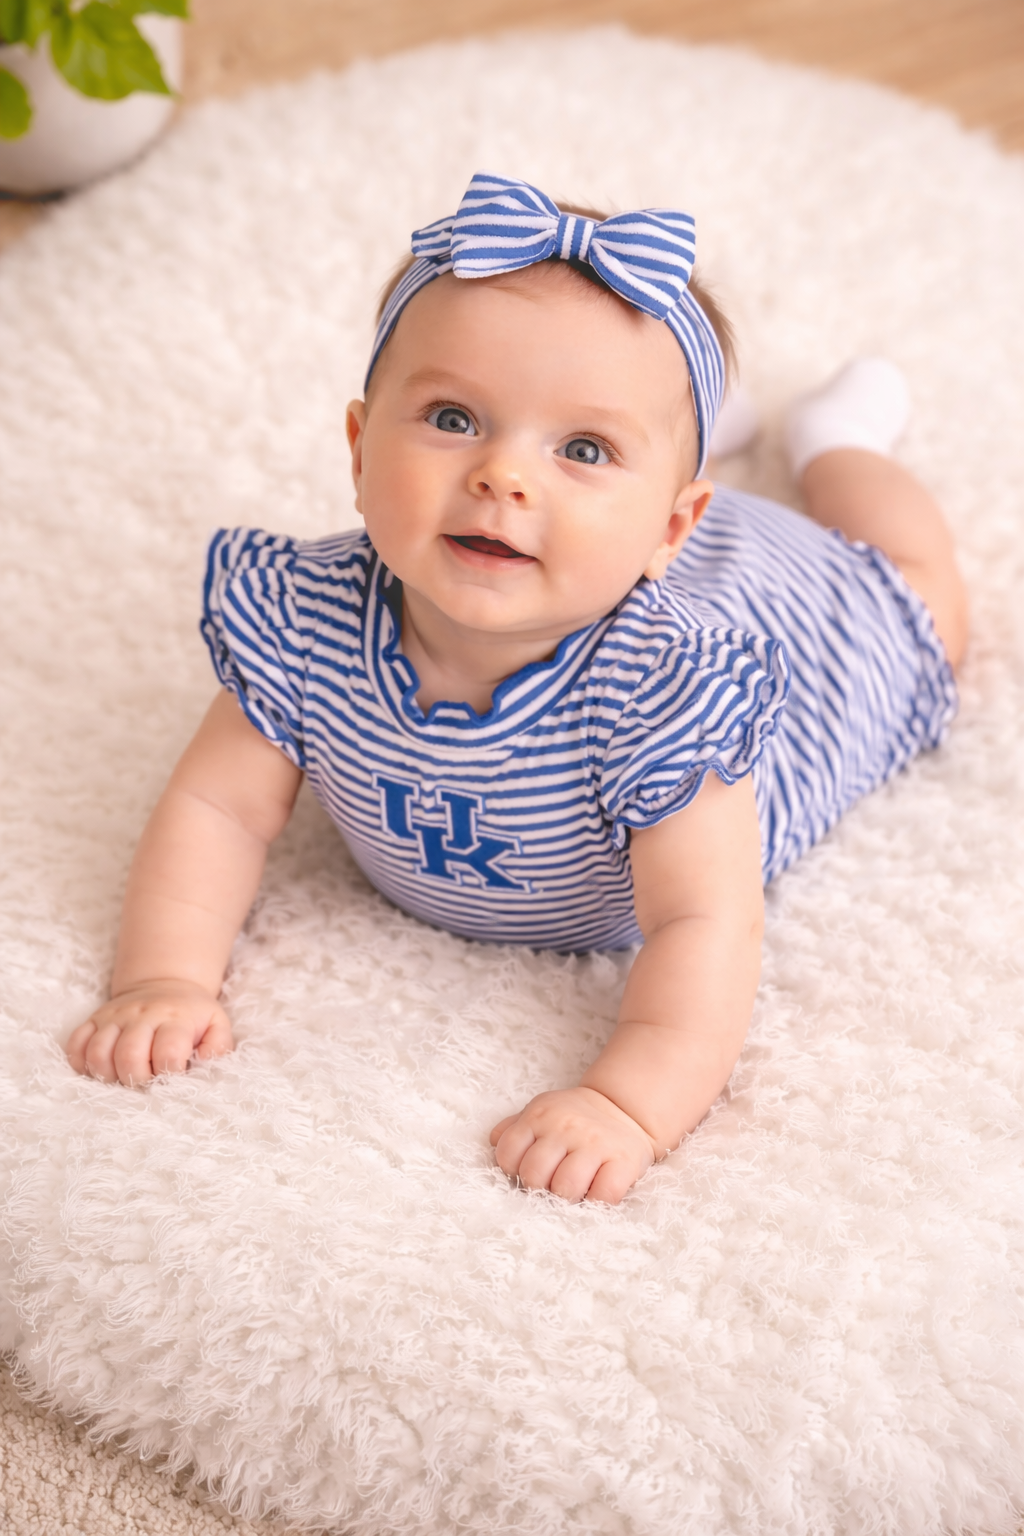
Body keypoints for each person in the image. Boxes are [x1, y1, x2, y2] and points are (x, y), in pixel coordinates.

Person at [66, 172, 967, 1205]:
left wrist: (628, 1103)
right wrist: (164, 978)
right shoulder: (304, 619)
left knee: (927, 596)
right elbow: (215, 809)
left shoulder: (662, 698)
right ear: (358, 449)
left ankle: (832, 441)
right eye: (453, 417)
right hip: (629, 546)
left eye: (582, 447)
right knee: (629, 448)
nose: (504, 475)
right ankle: (663, 432)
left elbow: (704, 923)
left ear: (674, 527)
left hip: (817, 626)